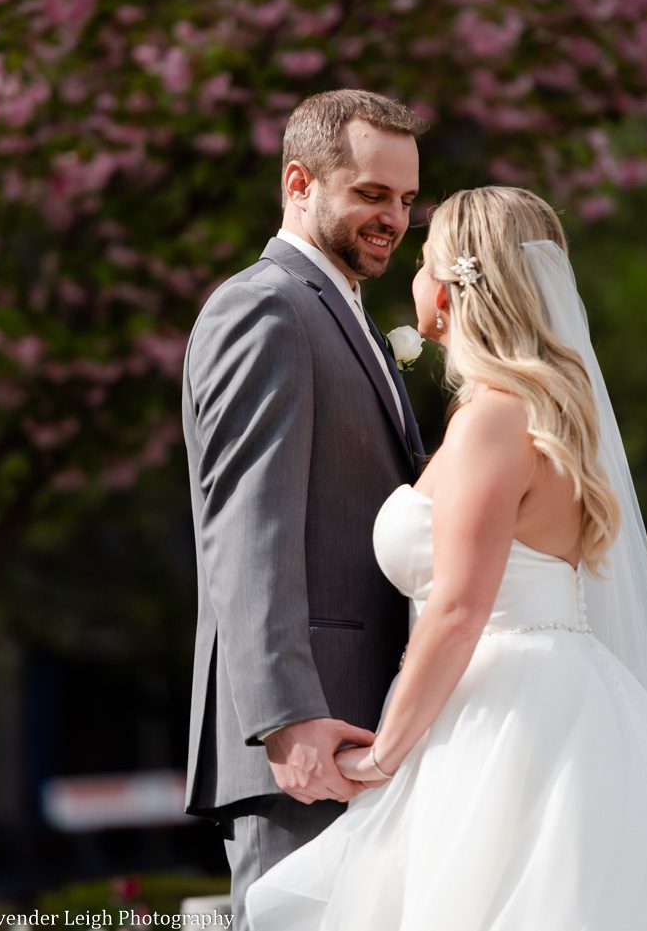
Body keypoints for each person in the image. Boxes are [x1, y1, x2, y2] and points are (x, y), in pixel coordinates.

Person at [246, 186, 647, 930]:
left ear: (448, 285)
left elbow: (458, 607)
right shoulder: (541, 412)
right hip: (553, 696)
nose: (413, 275)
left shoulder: (494, 418)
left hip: (503, 715)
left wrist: (384, 758)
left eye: (421, 258)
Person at [182, 89, 429, 929]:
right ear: (299, 182)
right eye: (370, 193)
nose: (393, 218)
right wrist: (285, 717)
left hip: (365, 727)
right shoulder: (267, 304)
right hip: (304, 742)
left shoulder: (344, 310)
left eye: (403, 200)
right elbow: (248, 526)